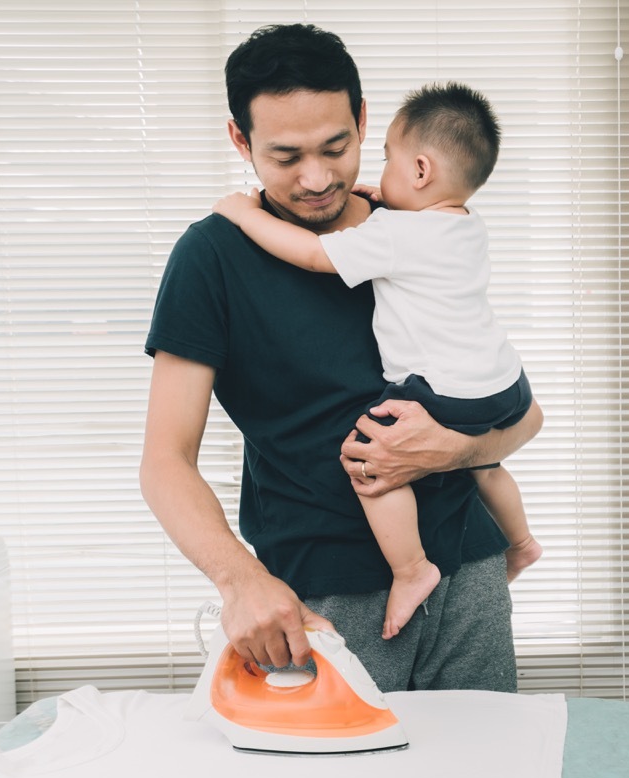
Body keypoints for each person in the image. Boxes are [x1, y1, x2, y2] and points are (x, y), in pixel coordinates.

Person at [139, 23, 543, 694]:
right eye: (286, 156)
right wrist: (241, 581)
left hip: (471, 573)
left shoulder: (419, 226)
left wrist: (448, 451)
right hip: (323, 597)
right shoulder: (212, 257)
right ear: (241, 141)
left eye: (337, 146)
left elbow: (524, 419)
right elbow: (163, 460)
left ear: (362, 118)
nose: (319, 178)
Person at [213, 82, 543, 641]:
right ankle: (523, 541)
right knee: (487, 466)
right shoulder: (466, 224)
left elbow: (316, 254)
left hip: (441, 391)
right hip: (501, 383)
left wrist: (242, 214)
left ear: (418, 169)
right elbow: (530, 423)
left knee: (370, 462)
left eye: (385, 158)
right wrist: (390, 200)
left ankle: (411, 569)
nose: (318, 179)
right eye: (288, 156)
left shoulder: (392, 233)